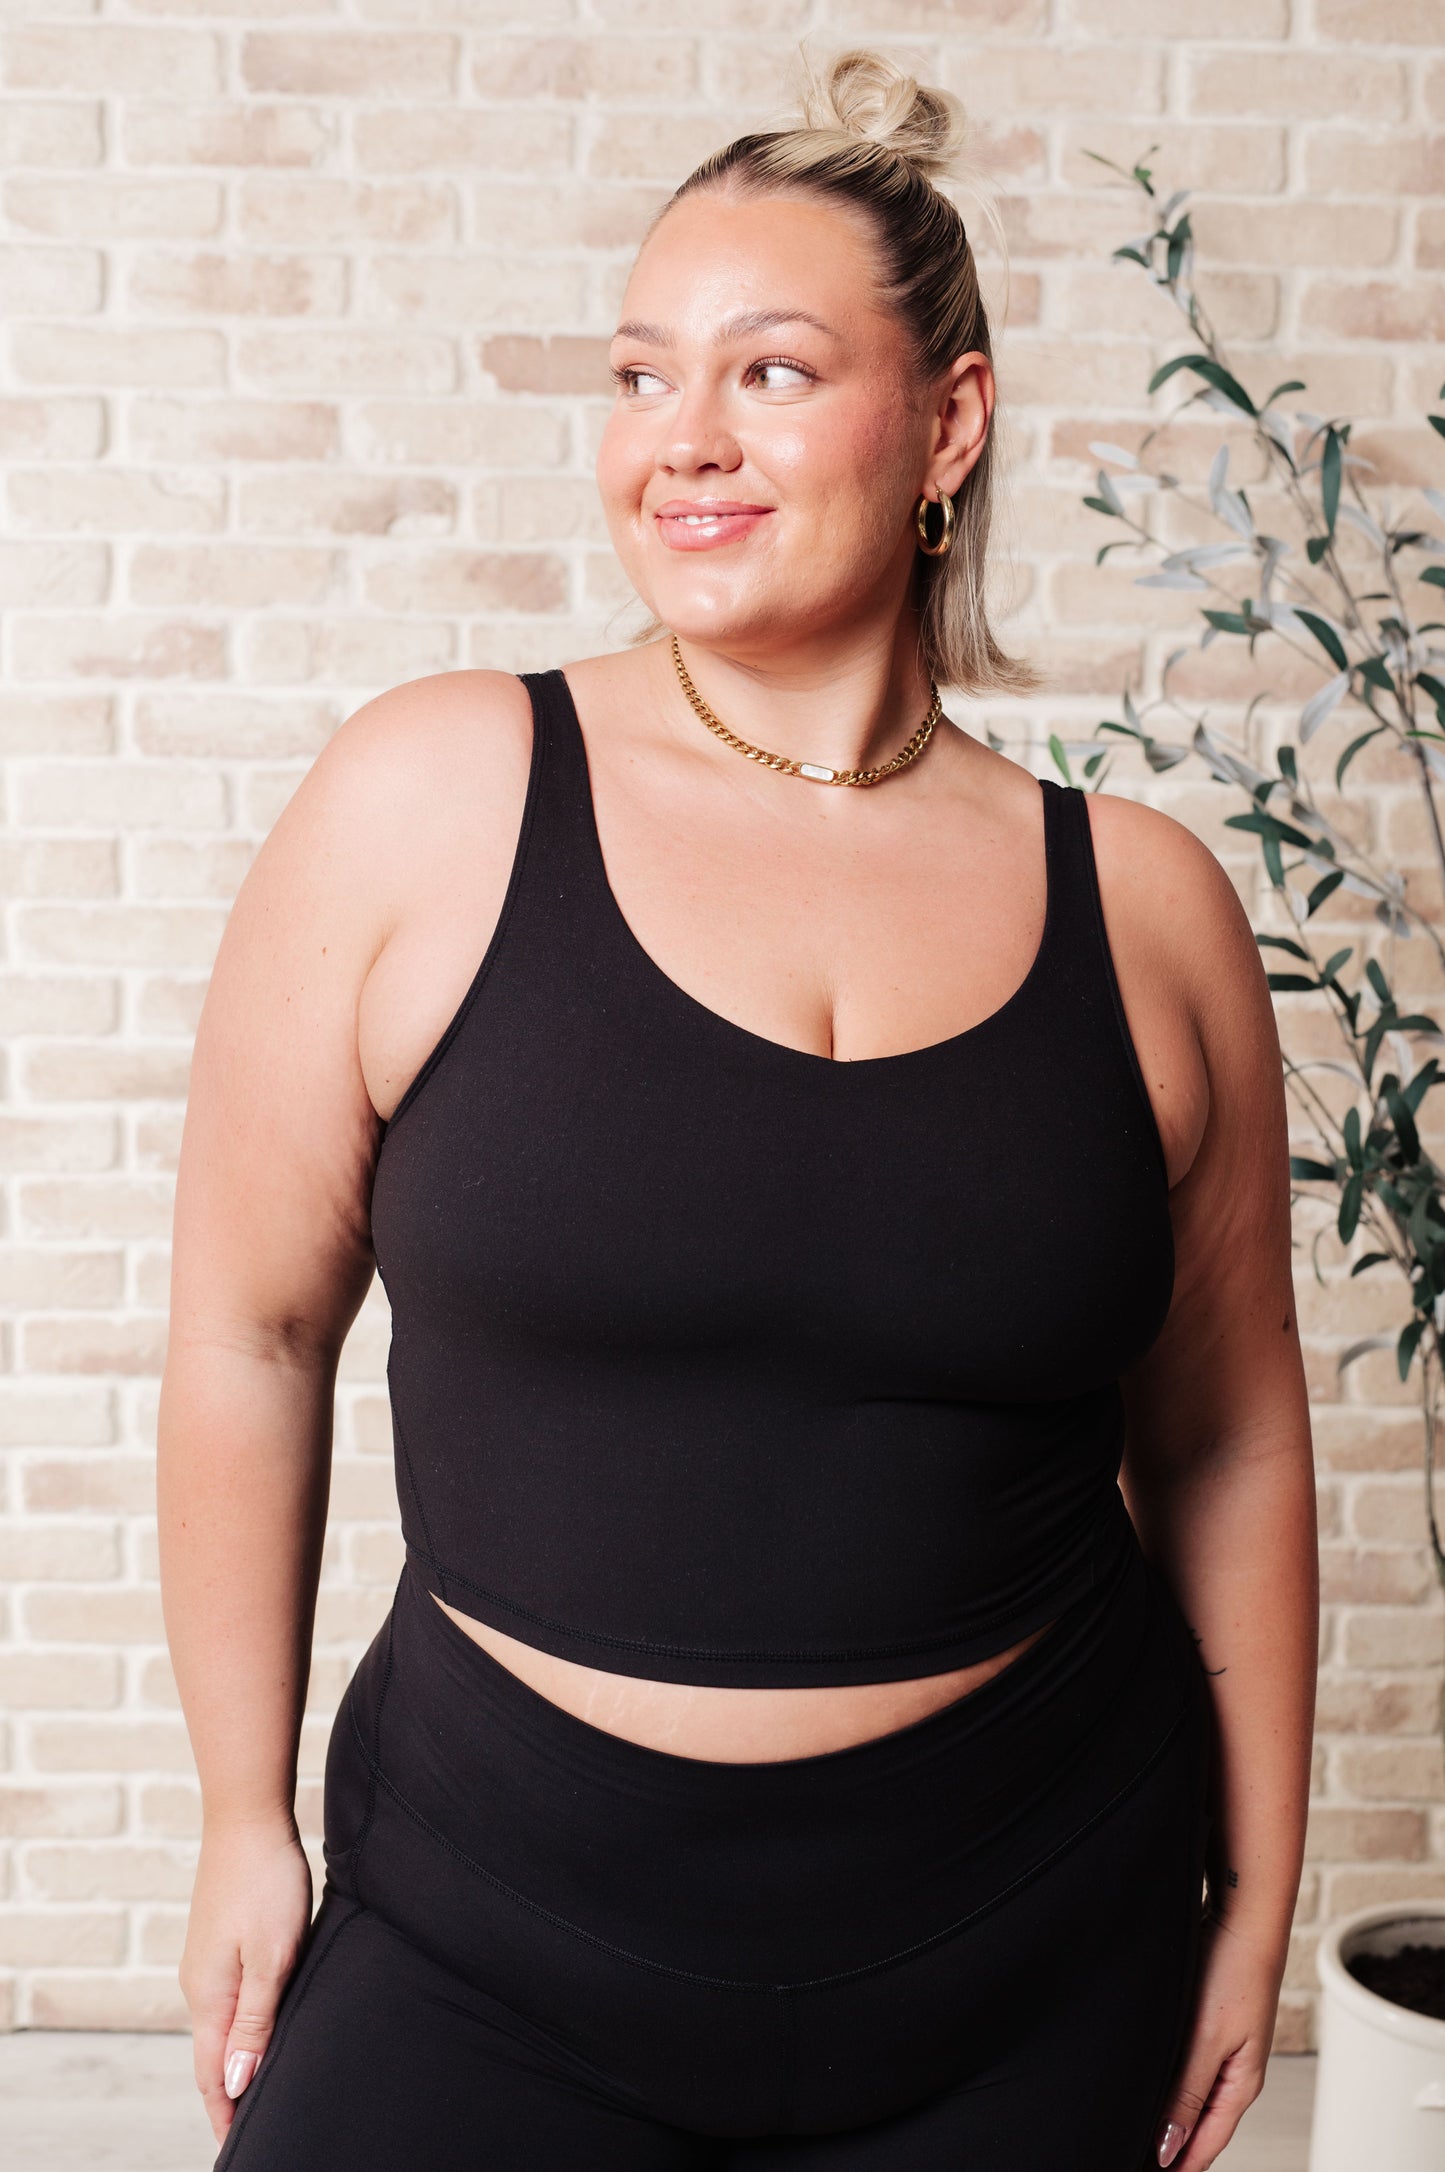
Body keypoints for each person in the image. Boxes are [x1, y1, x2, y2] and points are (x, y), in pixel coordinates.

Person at [157, 46, 1317, 2172]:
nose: (679, 436)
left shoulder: (1145, 908)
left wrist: (1254, 1897)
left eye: (770, 371)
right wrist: (241, 1812)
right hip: (493, 1920)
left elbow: (1229, 1432)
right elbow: (252, 1330)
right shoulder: (433, 797)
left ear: (948, 423)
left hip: (1031, 1931)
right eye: (640, 375)